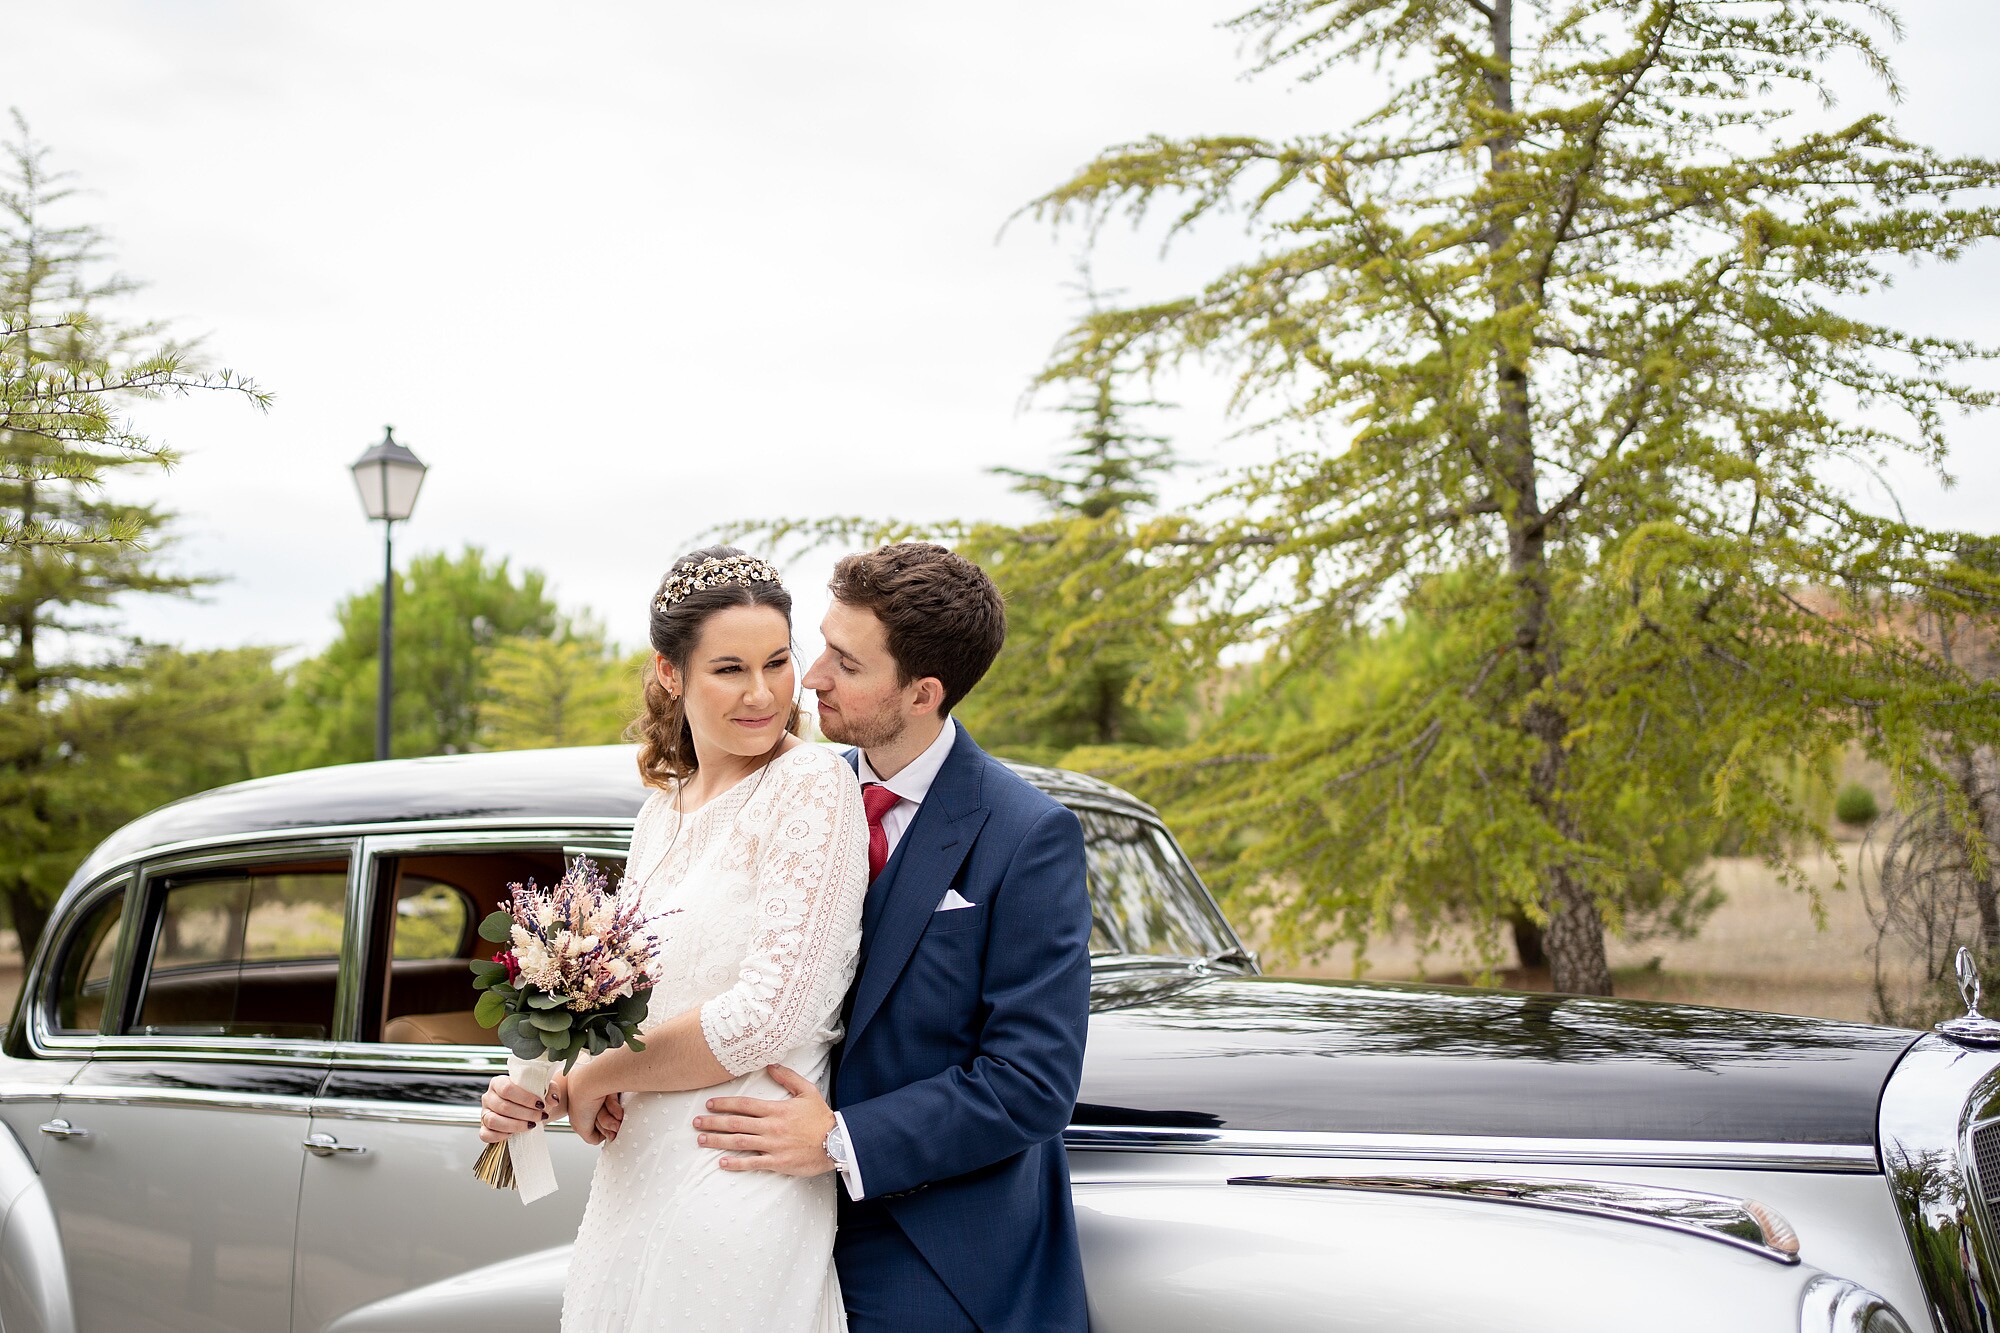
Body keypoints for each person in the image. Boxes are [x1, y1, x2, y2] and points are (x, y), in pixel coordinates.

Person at [669, 542, 1095, 1333]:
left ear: (923, 692)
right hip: (752, 1216)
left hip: (929, 1249)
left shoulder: (1028, 835)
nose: (812, 677)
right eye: (822, 646)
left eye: (846, 662)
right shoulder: (790, 788)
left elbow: (1034, 1080)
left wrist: (841, 1139)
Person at [477, 546, 868, 1331]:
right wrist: (546, 1085)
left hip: (739, 1181)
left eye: (778, 662)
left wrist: (599, 1076)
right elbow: (633, 1001)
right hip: (633, 1183)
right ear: (670, 670)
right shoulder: (662, 809)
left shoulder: (813, 784)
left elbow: (769, 1011)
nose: (763, 694)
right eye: (729, 668)